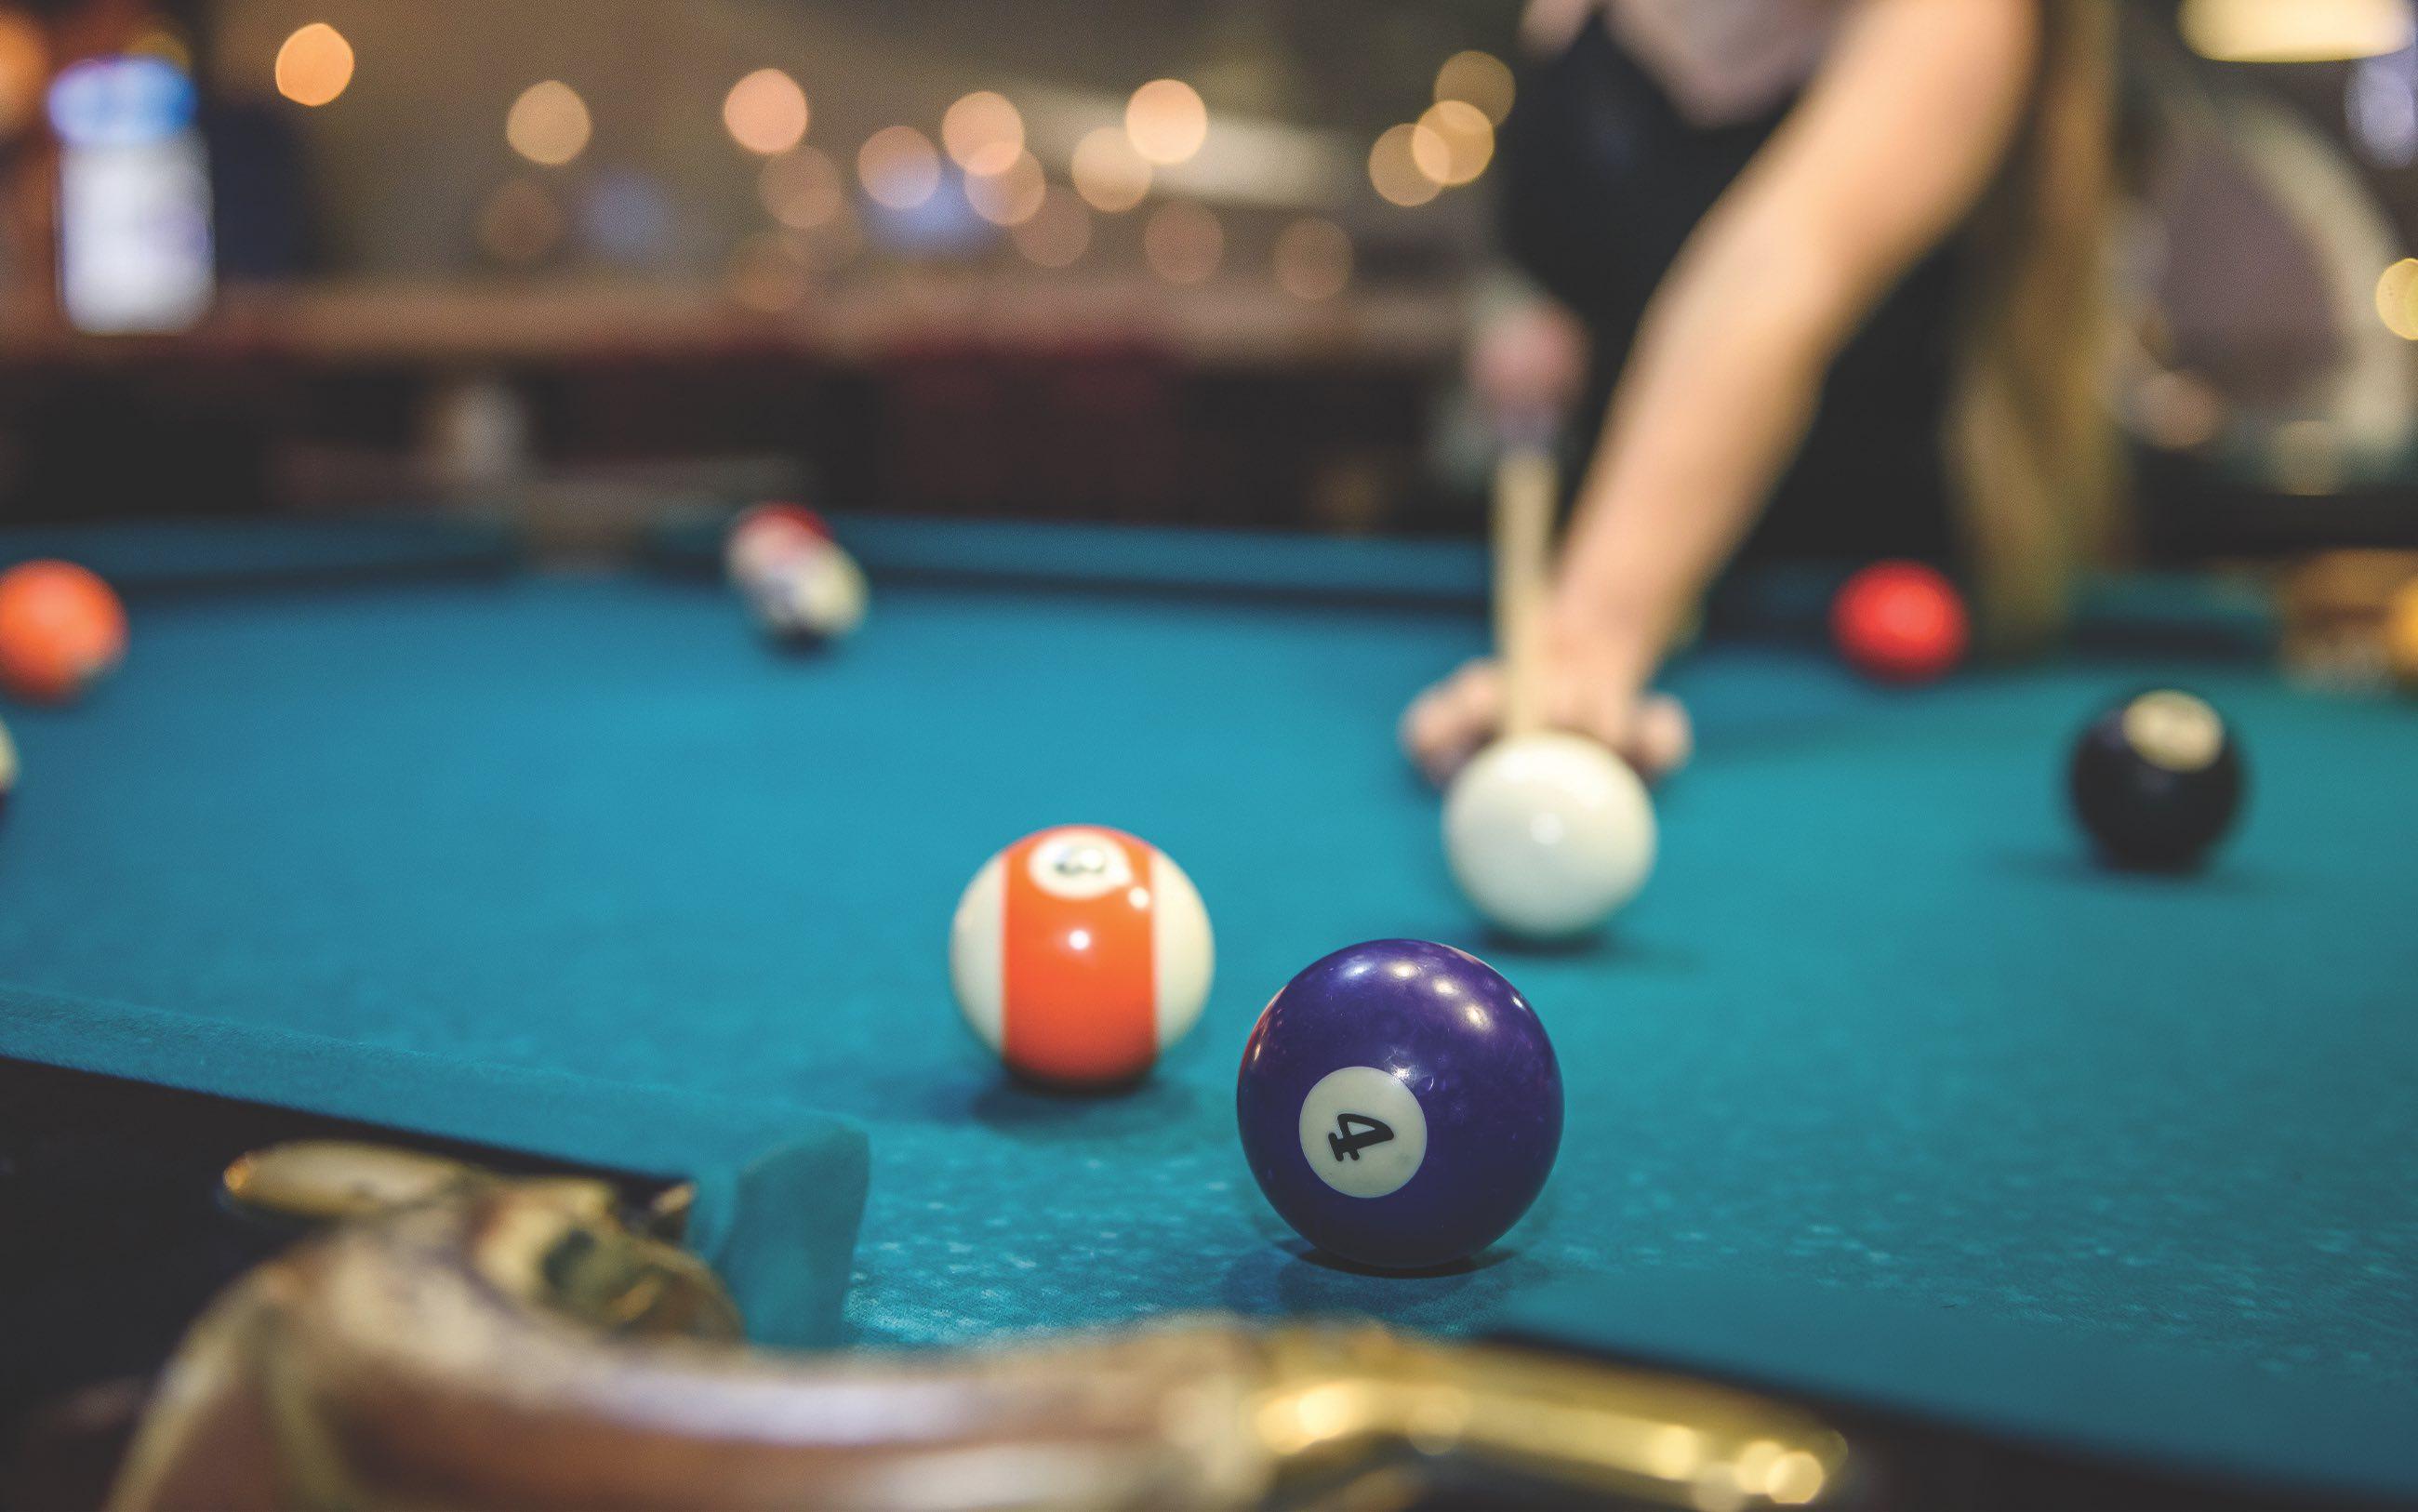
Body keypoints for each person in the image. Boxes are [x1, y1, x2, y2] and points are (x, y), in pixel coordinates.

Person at [1402, 0, 2122, 785]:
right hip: (1593, 542)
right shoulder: (1572, 16)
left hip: (1845, 591)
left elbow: (1775, 277)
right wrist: (1526, 317)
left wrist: (1587, 640)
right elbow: (1551, 242)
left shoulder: (1960, 16)